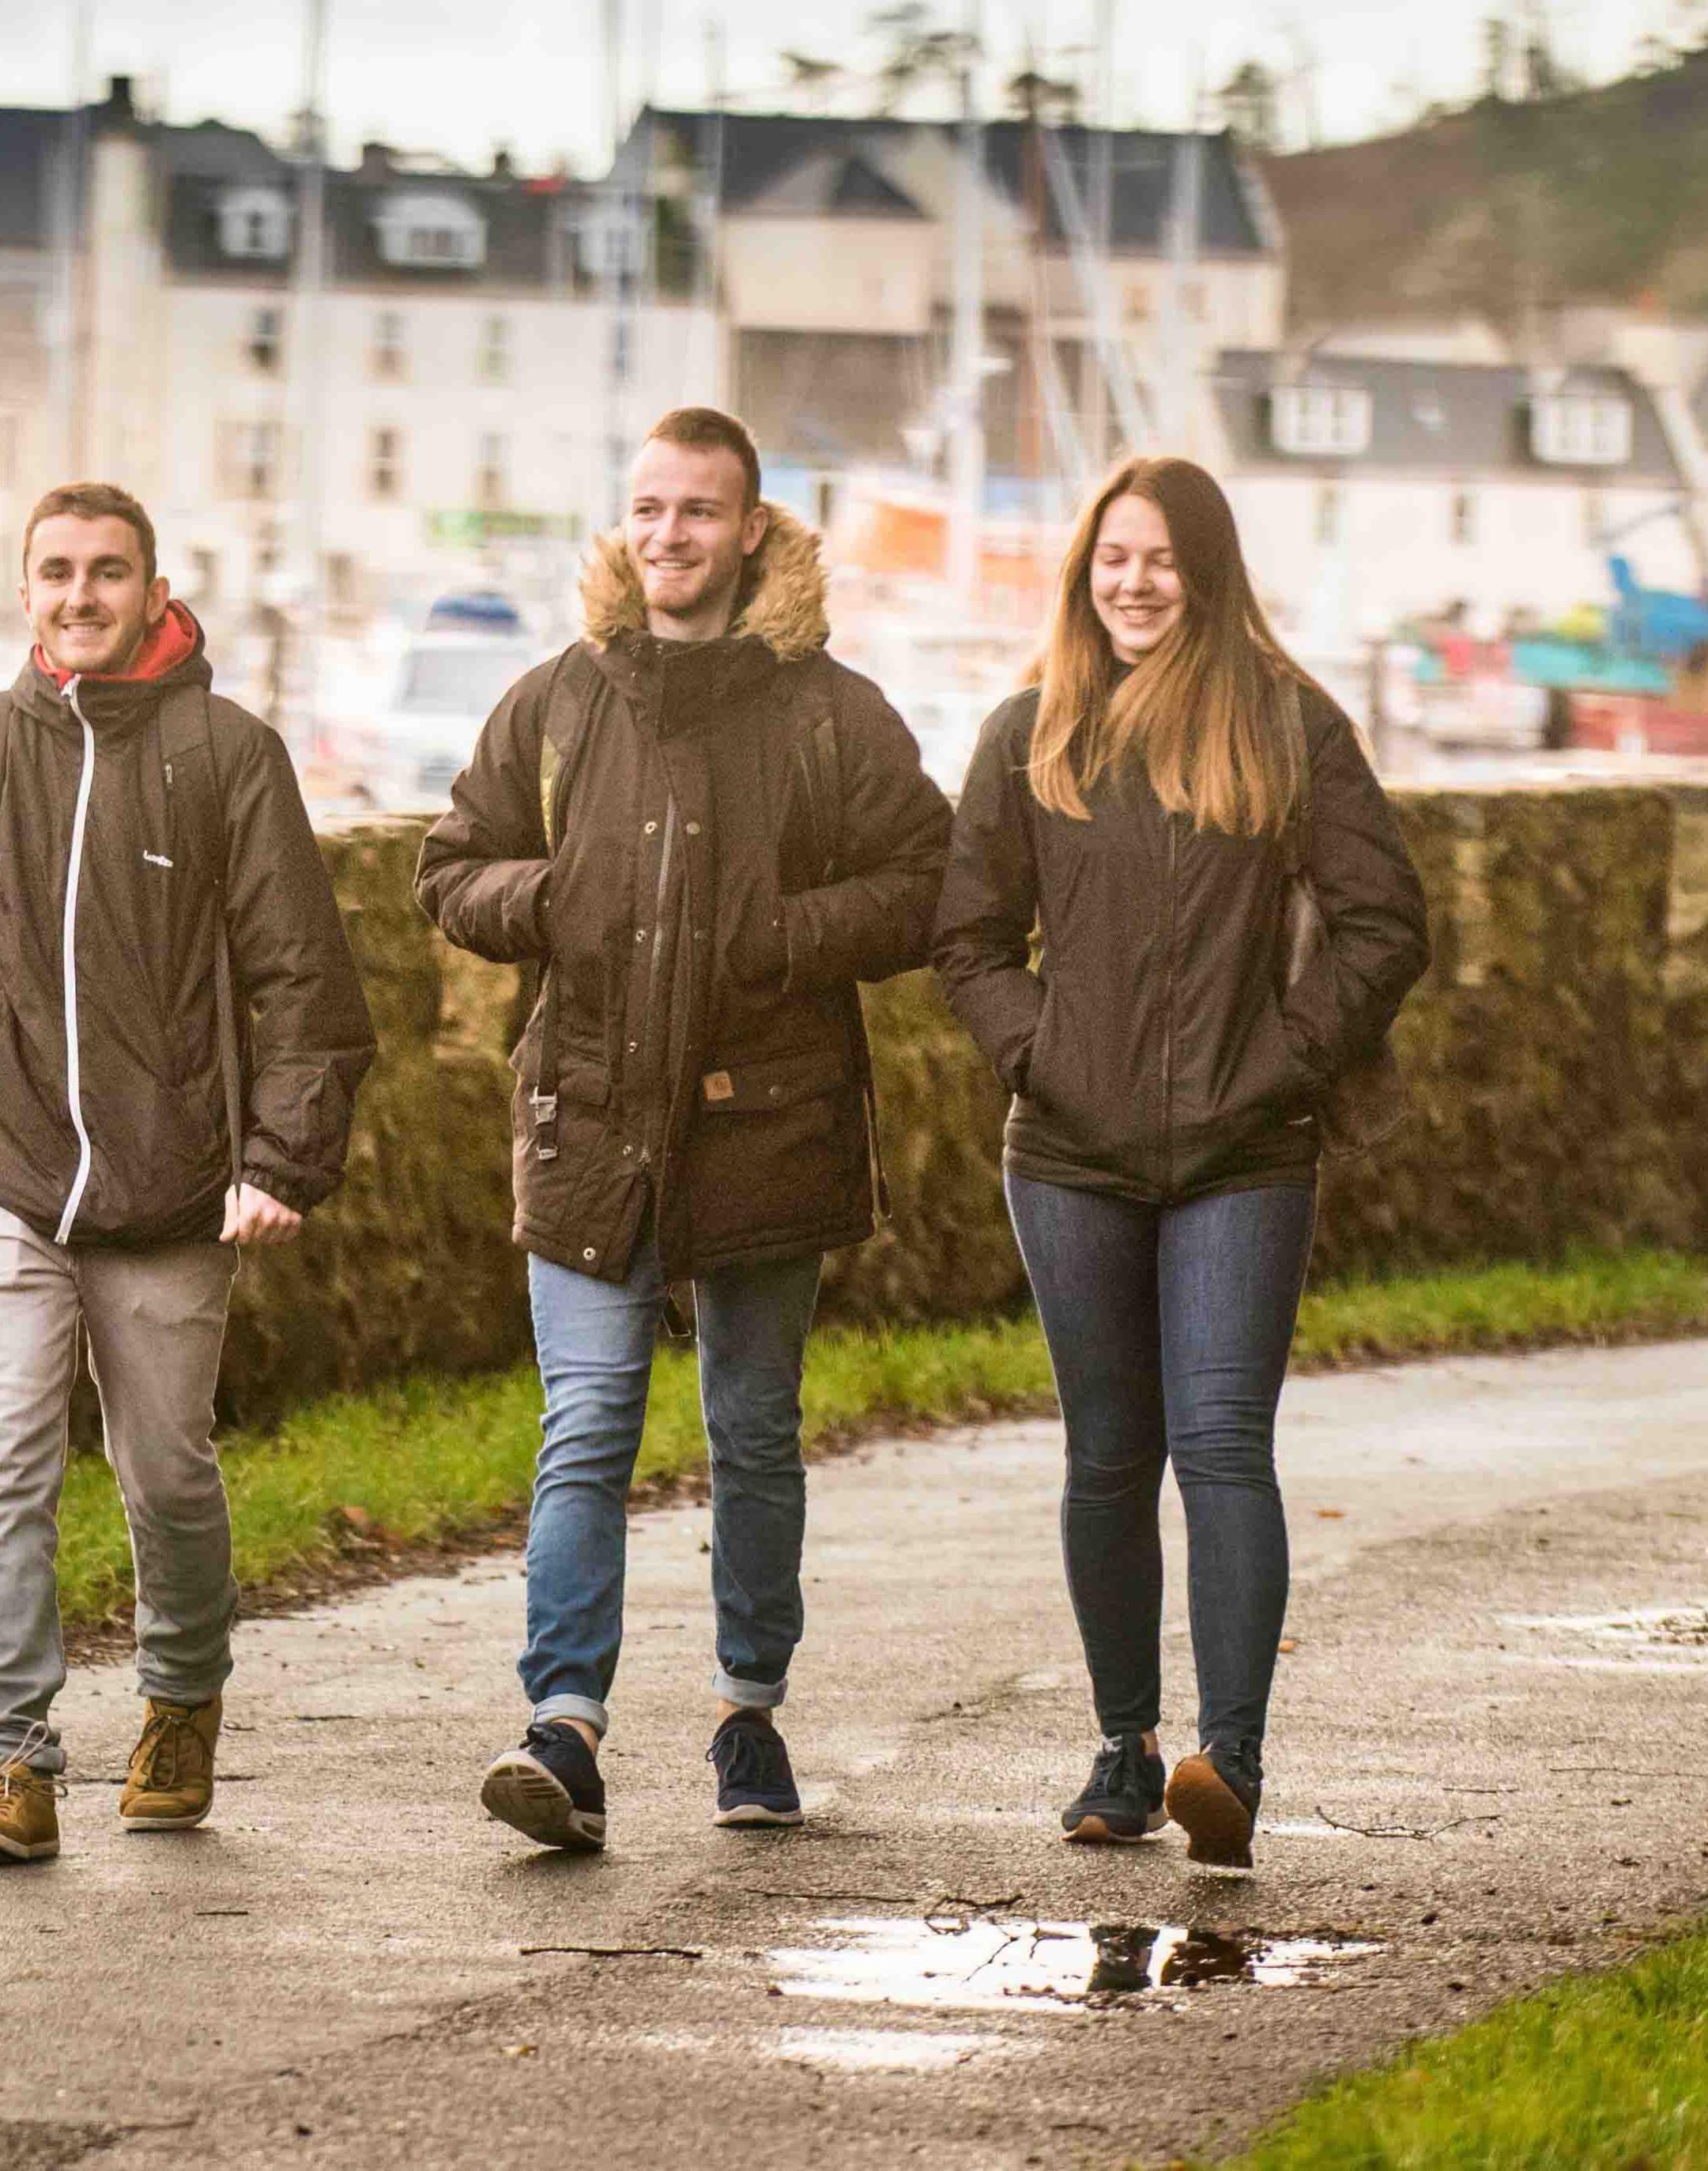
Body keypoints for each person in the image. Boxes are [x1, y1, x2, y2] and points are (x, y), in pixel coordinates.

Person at [416, 407, 951, 1851]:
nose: (670, 536)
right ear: (624, 524)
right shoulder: (556, 700)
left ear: (753, 531)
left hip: (766, 1122)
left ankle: (746, 1709)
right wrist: (545, 904)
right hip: (587, 1113)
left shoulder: (829, 711)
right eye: (649, 509)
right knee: (585, 1424)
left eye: (699, 512)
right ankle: (563, 1731)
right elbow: (451, 866)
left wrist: (783, 936)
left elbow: (928, 878)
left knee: (753, 1432)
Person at [0, 481, 375, 1867]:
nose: (79, 595)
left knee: (166, 1472)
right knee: (4, 1465)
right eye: (54, 573)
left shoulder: (227, 753)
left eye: (106, 572)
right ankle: (11, 1760)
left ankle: (179, 1700)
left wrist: (280, 1158)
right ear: (22, 592)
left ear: (153, 591)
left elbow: (305, 987)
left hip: (172, 1188)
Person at [933, 455, 1428, 1868]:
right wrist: (1038, 1051)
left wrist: (1279, 1061)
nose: (1133, 581)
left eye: (1159, 559)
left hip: (1244, 1152)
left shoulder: (1285, 725)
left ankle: (1231, 1760)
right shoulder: (1028, 734)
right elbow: (965, 939)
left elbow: (1384, 922)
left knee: (1219, 1445)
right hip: (1068, 1156)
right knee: (1107, 1454)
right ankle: (1122, 1746)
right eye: (1111, 558)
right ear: (1083, 575)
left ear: (1205, 575)